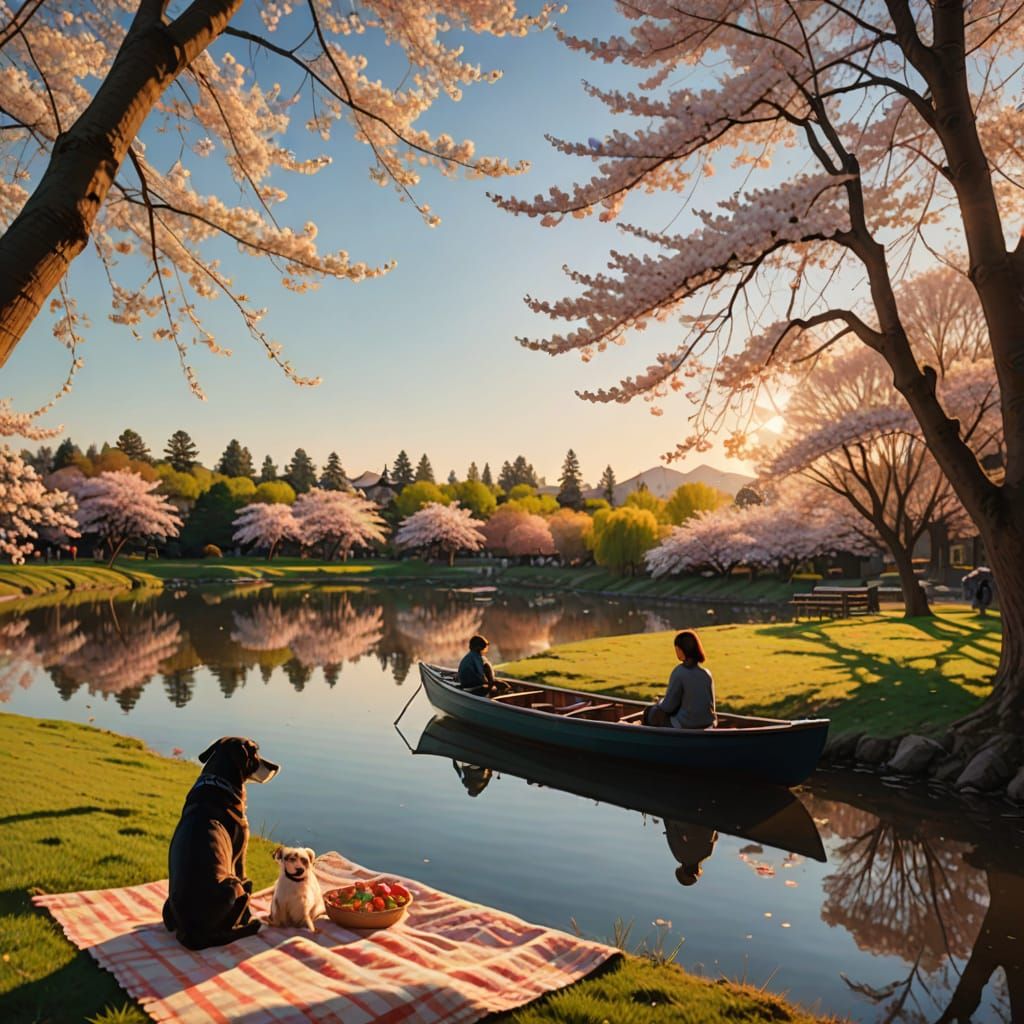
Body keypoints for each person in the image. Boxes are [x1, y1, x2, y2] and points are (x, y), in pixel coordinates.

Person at [643, 630, 716, 729]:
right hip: (708, 724)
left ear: (681, 650)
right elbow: (711, 706)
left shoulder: (679, 672)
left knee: (651, 712)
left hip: (685, 725)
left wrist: (659, 703)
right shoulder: (707, 674)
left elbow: (668, 707)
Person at [664, 820, 718, 886]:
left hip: (707, 820)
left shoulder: (707, 854)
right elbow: (671, 831)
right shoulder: (679, 856)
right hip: (685, 819)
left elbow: (715, 836)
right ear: (682, 870)